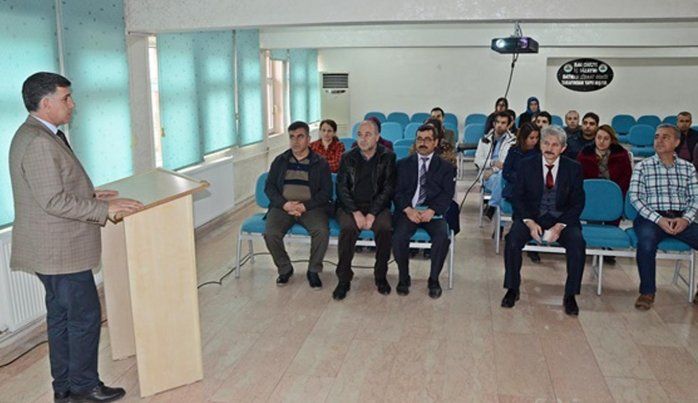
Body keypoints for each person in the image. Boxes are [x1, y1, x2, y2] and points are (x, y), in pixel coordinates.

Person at [9, 72, 143, 403]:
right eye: (66, 98)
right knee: (84, 318)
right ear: (46, 103)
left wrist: (91, 195)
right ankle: (84, 387)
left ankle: (65, 388)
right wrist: (104, 209)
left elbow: (51, 188)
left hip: (54, 249)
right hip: (60, 251)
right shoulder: (39, 142)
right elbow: (53, 201)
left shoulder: (37, 133)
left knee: (62, 319)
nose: (72, 104)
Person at [502, 125, 586, 316]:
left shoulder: (573, 168)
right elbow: (518, 198)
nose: (549, 148)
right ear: (540, 145)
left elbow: (577, 203)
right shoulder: (526, 165)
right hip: (531, 217)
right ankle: (512, 289)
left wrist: (560, 226)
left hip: (562, 220)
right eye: (546, 143)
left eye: (555, 145)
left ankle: (570, 295)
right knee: (512, 240)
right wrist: (529, 222)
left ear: (563, 148)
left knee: (577, 244)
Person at [628, 123, 698, 310]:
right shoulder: (642, 166)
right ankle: (647, 292)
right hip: (651, 219)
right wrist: (658, 219)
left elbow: (695, 198)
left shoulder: (688, 168)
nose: (659, 140)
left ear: (677, 142)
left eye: (665, 137)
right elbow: (635, 198)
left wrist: (686, 219)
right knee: (646, 244)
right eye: (656, 137)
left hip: (681, 218)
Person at [263, 121, 332, 289]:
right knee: (270, 233)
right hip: (283, 207)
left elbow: (326, 193)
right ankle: (285, 268)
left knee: (321, 231)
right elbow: (269, 187)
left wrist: (304, 206)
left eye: (300, 137)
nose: (295, 141)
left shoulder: (320, 163)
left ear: (308, 139)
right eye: (292, 137)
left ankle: (313, 270)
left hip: (311, 208)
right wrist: (285, 204)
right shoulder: (280, 161)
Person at [334, 119, 396, 300]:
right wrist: (355, 212)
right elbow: (342, 188)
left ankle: (380, 276)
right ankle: (344, 278)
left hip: (378, 206)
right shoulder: (348, 157)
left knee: (384, 228)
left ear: (377, 137)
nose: (363, 139)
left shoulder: (388, 157)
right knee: (348, 228)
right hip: (350, 206)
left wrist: (372, 214)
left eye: (368, 134)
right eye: (359, 134)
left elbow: (388, 189)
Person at [392, 125, 456, 298]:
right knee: (398, 237)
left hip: (433, 213)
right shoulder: (402, 165)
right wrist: (408, 210)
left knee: (442, 238)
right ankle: (404, 277)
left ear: (435, 142)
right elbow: (397, 192)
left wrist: (432, 210)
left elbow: (447, 194)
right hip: (409, 211)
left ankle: (433, 279)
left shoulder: (446, 167)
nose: (423, 143)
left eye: (428, 139)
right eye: (419, 139)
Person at [474, 111, 516, 214]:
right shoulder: (484, 139)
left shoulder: (513, 141)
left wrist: (493, 170)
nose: (499, 125)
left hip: (502, 174)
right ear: (493, 123)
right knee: (504, 188)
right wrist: (492, 163)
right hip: (486, 175)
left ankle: (492, 205)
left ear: (508, 125)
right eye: (498, 122)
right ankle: (500, 216)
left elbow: (506, 164)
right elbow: (478, 161)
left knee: (501, 178)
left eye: (503, 123)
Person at [502, 123, 540, 201]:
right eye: (531, 138)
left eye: (537, 137)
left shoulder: (539, 153)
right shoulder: (513, 151)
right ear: (524, 138)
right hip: (514, 189)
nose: (535, 141)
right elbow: (506, 172)